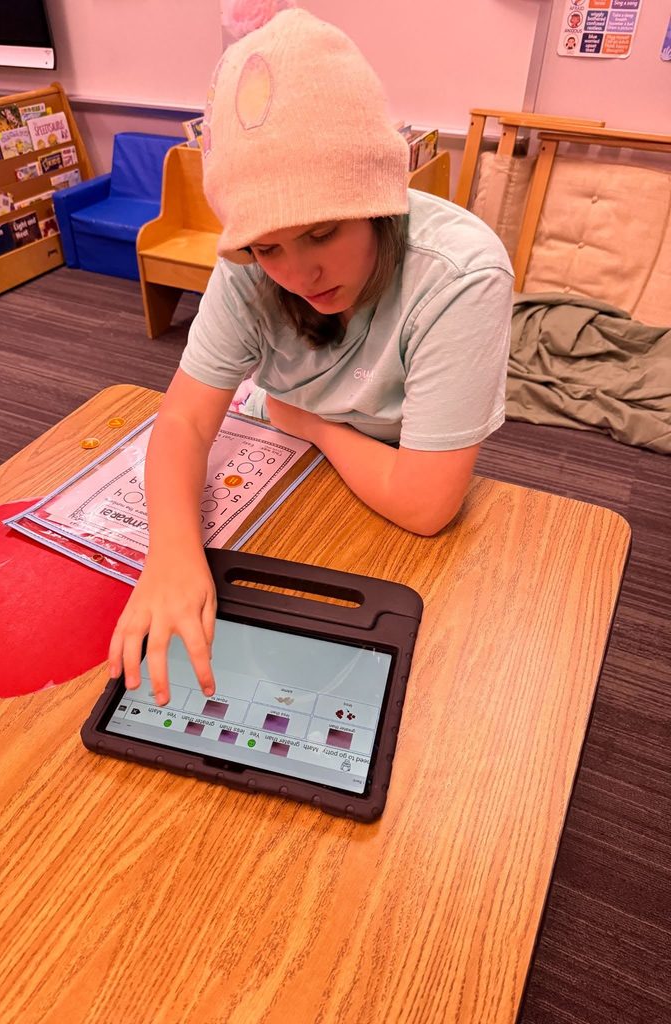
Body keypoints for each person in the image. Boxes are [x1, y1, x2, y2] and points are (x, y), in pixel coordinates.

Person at [108, 4, 514, 704]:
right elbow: (180, 423)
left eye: (323, 232)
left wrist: (309, 422)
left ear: (378, 199)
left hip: (384, 481)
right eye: (268, 248)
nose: (298, 273)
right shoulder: (247, 271)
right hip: (298, 467)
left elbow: (425, 504)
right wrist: (173, 552)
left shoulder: (461, 273)